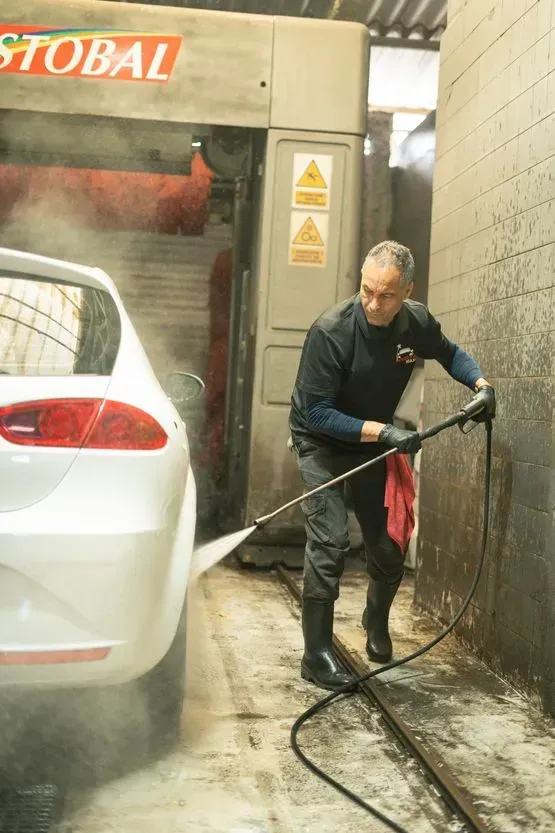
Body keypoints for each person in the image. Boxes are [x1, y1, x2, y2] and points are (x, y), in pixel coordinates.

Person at [289, 241, 495, 691]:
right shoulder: (330, 332)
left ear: (406, 292)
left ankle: (375, 619)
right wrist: (384, 432)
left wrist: (480, 383)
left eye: (386, 295)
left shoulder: (414, 321)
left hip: (369, 444)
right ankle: (316, 654)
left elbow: (449, 352)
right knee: (330, 541)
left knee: (388, 546)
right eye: (366, 291)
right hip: (321, 444)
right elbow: (316, 414)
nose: (374, 303)